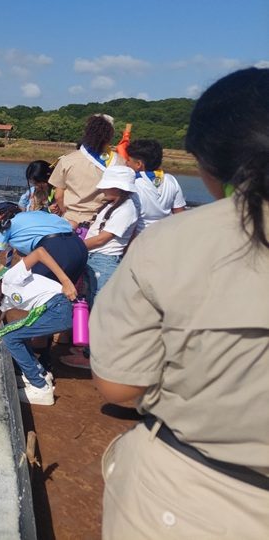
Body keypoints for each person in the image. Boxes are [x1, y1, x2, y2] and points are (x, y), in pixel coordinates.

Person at [91, 67, 269, 538]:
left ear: (210, 163)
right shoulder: (168, 201)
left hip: (189, 497)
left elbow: (118, 386)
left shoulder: (175, 244)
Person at [0, 247, 77, 405]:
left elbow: (40, 252)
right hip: (50, 310)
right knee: (13, 330)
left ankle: (40, 388)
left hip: (58, 307)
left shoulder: (11, 277)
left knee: (10, 337)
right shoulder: (5, 297)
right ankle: (40, 374)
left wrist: (65, 281)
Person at [0, 202, 86, 302]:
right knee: (63, 297)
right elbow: (72, 224)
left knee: (39, 297)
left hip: (55, 249)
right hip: (79, 248)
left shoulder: (4, 223)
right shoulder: (37, 214)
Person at [49, 114, 125, 227]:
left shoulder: (67, 160)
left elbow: (58, 196)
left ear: (86, 133)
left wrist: (66, 212)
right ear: (111, 135)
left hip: (71, 220)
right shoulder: (120, 162)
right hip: (104, 221)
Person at [82, 165, 139, 306]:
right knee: (88, 299)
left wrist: (75, 246)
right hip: (93, 257)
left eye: (106, 186)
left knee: (98, 302)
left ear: (118, 188)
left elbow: (102, 239)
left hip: (104, 261)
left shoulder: (126, 209)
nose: (102, 190)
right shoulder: (112, 205)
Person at [124, 138, 187, 235]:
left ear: (139, 164)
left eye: (128, 160)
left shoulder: (132, 182)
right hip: (165, 235)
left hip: (139, 237)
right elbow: (180, 214)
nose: (126, 163)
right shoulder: (171, 180)